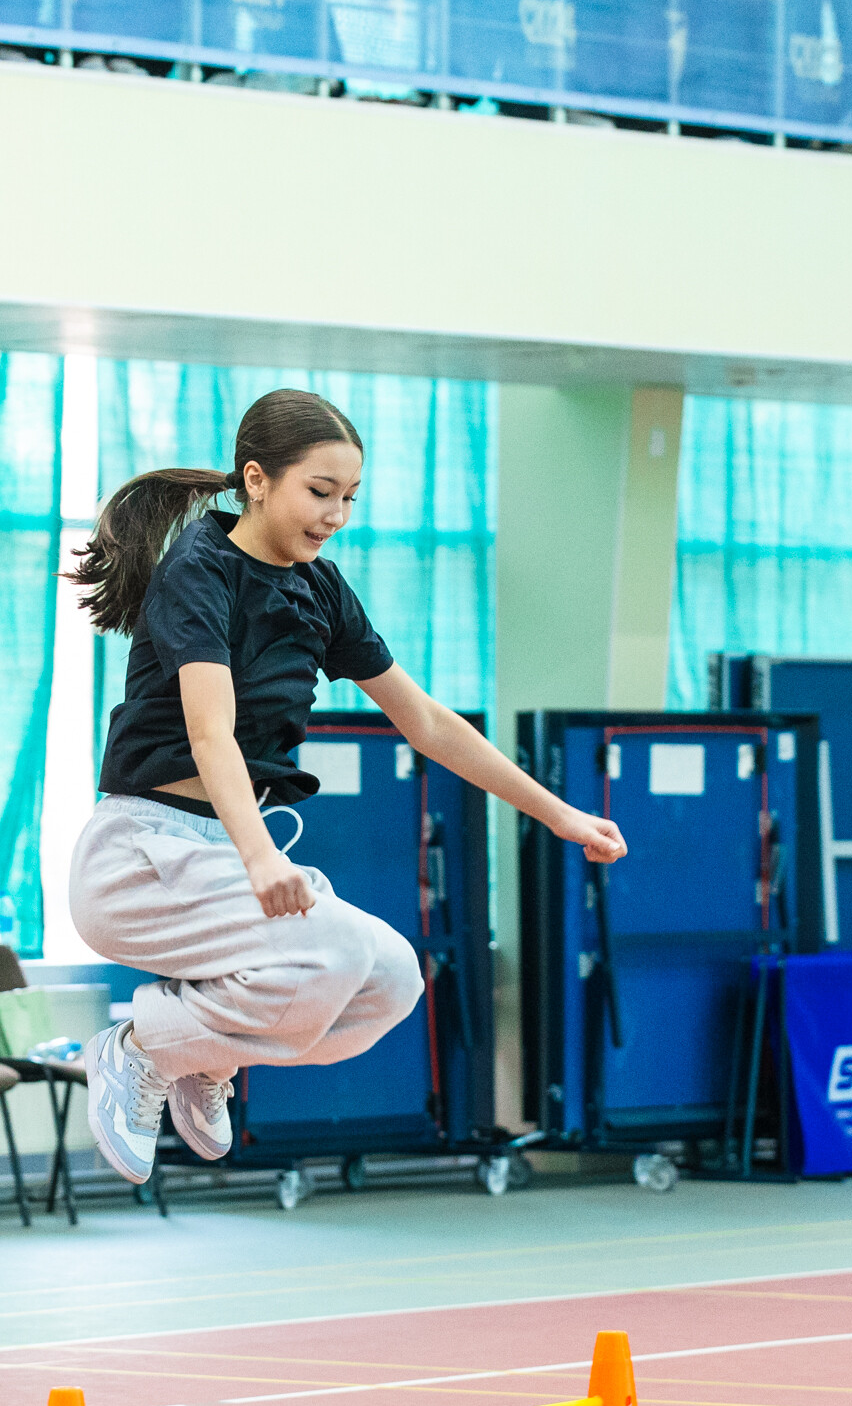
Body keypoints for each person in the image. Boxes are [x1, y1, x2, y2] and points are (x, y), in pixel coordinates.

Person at [65, 388, 628, 1183]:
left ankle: (199, 1056)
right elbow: (210, 733)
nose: (335, 515)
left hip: (220, 853)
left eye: (350, 498)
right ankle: (141, 1047)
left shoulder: (319, 589)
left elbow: (425, 723)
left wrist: (558, 813)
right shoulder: (199, 570)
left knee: (390, 980)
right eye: (320, 492)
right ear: (257, 480)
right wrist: (262, 858)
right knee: (332, 953)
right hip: (141, 858)